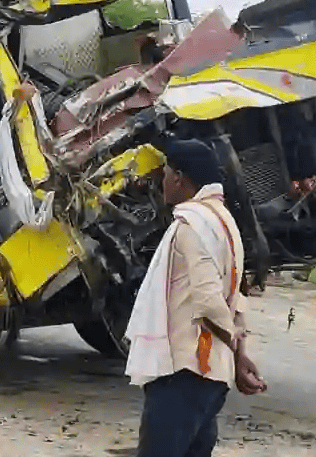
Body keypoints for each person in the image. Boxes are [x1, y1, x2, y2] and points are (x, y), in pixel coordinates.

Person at [125, 139, 267, 457]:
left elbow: (208, 300)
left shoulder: (192, 226)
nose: (160, 182)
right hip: (211, 376)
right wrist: (237, 351)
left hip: (184, 374)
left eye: (164, 174)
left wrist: (237, 350)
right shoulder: (224, 222)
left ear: (178, 177)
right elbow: (237, 295)